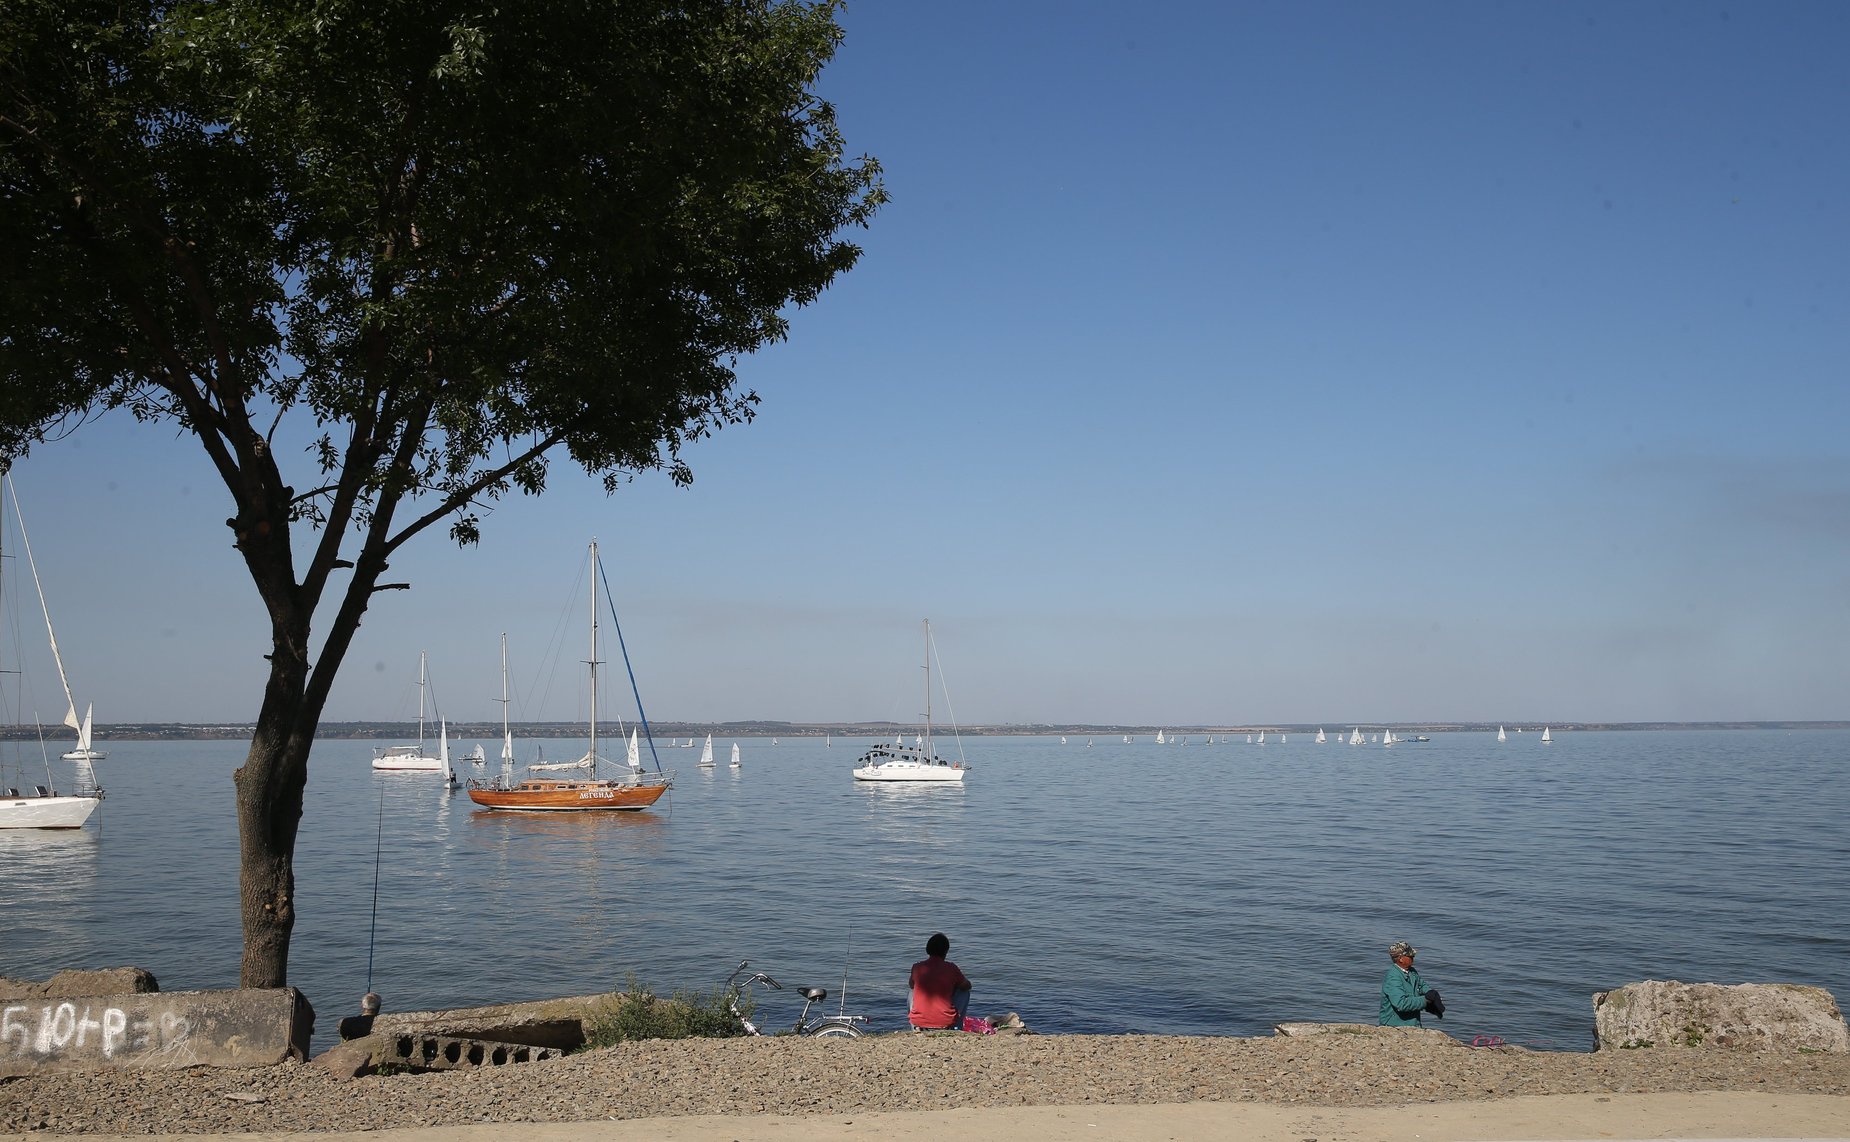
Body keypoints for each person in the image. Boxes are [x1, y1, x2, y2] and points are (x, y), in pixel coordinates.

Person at [908, 932, 972, 1030]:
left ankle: (915, 1027)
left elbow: (911, 985)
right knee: (964, 992)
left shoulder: (917, 968)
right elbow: (967, 986)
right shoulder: (951, 968)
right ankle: (957, 1026)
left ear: (928, 949)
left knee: (912, 991)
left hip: (919, 1022)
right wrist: (952, 985)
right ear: (946, 951)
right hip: (946, 1022)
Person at [1379, 940, 1443, 1025]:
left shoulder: (1412, 971)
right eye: (1410, 956)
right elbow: (1401, 1004)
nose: (1413, 957)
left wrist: (1431, 994)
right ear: (1401, 959)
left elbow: (1421, 985)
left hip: (1413, 1023)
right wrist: (1426, 1000)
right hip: (1394, 1025)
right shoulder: (1393, 977)